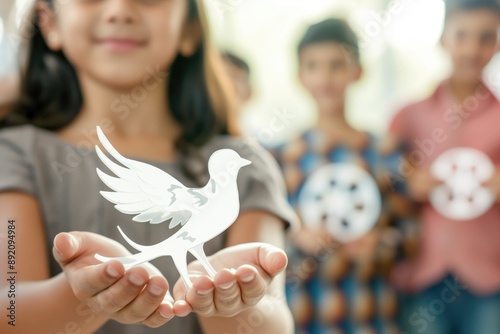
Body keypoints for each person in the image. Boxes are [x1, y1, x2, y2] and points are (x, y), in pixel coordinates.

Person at [0, 0, 297, 333]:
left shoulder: (249, 168)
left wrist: (231, 299)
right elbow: (9, 308)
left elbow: (273, 322)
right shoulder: (13, 154)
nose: (119, 10)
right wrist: (82, 292)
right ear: (49, 22)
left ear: (190, 28)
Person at [272, 18, 412, 334]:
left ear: (358, 72)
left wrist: (381, 244)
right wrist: (297, 238)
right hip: (304, 316)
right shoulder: (282, 157)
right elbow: (264, 238)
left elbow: (411, 232)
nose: (325, 77)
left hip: (369, 314)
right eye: (313, 66)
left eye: (337, 65)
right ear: (300, 76)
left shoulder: (384, 151)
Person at [388, 0, 500, 333]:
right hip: (422, 276)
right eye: (461, 35)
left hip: (489, 280)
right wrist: (406, 183)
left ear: (497, 44)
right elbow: (384, 181)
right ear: (443, 39)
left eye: (485, 37)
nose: (471, 49)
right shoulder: (407, 116)